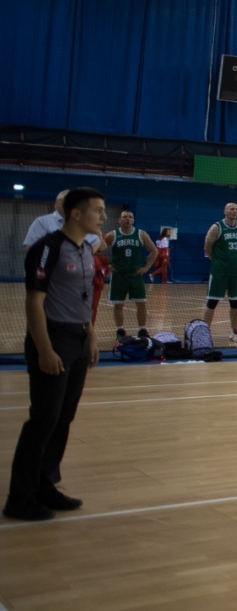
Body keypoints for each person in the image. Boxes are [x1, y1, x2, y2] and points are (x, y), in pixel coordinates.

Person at [5, 186, 106, 521]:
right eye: (97, 210)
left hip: (78, 339)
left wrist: (90, 337)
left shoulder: (86, 250)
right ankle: (20, 497)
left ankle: (46, 484)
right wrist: (45, 348)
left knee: (63, 418)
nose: (102, 217)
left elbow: (82, 300)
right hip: (53, 338)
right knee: (43, 419)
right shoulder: (47, 249)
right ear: (75, 214)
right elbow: (34, 301)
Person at [103, 208, 156, 341]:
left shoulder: (141, 234)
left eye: (130, 217)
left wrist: (146, 268)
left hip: (135, 275)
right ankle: (120, 329)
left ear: (133, 220)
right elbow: (98, 250)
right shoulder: (112, 235)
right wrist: (106, 265)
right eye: (125, 217)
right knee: (118, 305)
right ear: (119, 220)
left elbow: (154, 251)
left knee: (141, 303)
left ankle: (142, 329)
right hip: (119, 275)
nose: (128, 219)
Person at [203, 201, 237, 342]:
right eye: (231, 209)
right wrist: (216, 260)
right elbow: (207, 247)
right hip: (219, 272)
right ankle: (205, 331)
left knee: (235, 303)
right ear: (225, 211)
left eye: (236, 209)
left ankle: (234, 332)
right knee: (212, 302)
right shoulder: (217, 227)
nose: (234, 211)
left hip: (235, 271)